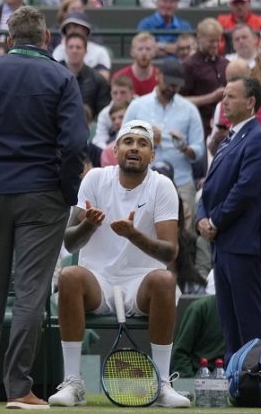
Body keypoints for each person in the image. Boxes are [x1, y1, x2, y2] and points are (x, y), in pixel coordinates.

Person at [0, 5, 87, 408]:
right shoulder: (62, 77)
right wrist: (66, 193)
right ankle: (18, 389)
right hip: (44, 195)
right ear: (47, 38)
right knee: (31, 292)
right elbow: (74, 144)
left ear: (9, 39)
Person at [48, 120, 189, 407]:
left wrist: (133, 235)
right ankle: (73, 382)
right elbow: (70, 242)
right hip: (97, 282)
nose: (134, 148)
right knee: (69, 276)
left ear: (152, 155)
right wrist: (88, 225)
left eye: (142, 143)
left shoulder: (162, 186)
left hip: (142, 283)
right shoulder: (95, 179)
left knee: (165, 279)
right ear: (115, 150)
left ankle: (162, 383)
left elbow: (169, 253)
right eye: (128, 142)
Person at [196, 78, 261, 359]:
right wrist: (201, 218)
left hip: (243, 242)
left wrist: (214, 222)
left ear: (251, 102)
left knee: (248, 320)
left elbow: (245, 190)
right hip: (222, 243)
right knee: (229, 323)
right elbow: (209, 187)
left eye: (231, 96)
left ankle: (258, 376)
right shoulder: (229, 138)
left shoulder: (260, 139)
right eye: (223, 97)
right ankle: (235, 378)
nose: (224, 102)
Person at [124, 59, 205, 224]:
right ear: (158, 76)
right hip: (142, 179)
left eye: (177, 85)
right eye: (169, 83)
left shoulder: (189, 109)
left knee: (185, 231)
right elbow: (122, 141)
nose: (172, 88)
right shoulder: (138, 105)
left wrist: (183, 147)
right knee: (140, 228)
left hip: (180, 181)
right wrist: (144, 138)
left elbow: (198, 151)